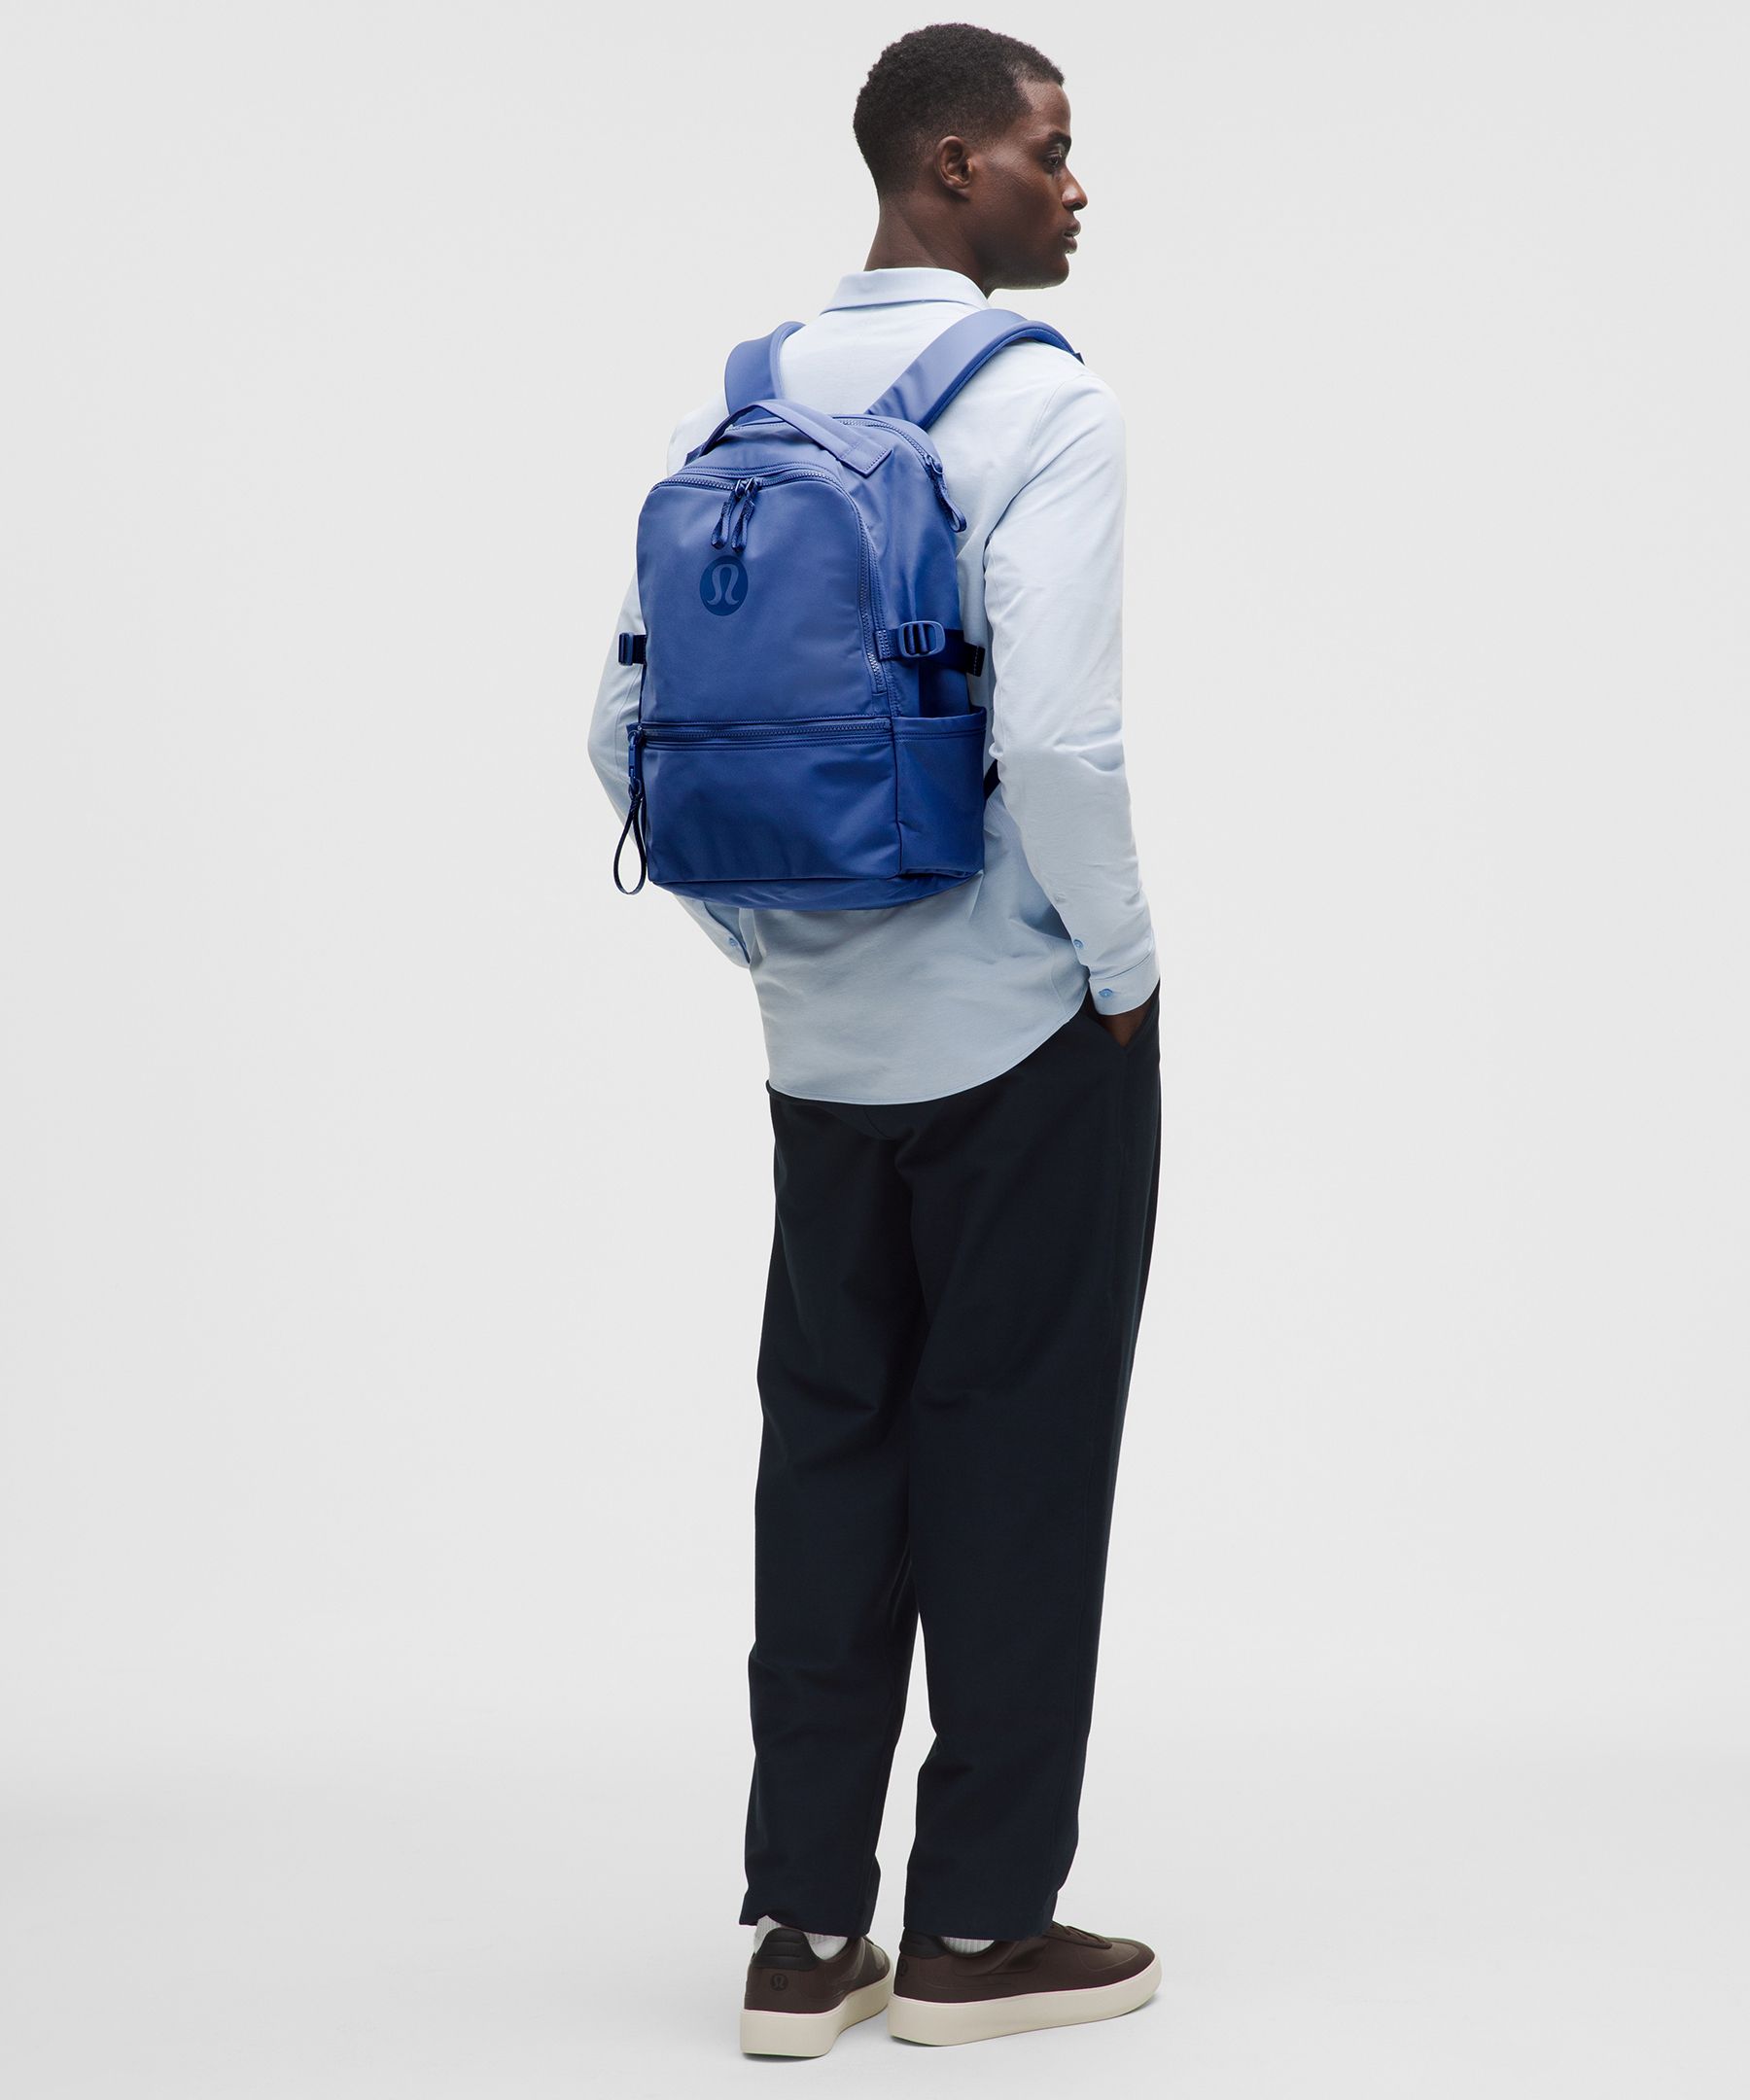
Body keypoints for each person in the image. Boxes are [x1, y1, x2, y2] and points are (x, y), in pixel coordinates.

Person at [589, 22, 1164, 2055]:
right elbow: (1062, 744)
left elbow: (619, 731)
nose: (1076, 184)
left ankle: (803, 1935)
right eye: (1048, 148)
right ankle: (980, 1937)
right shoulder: (1045, 402)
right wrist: (1120, 969)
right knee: (1016, 1460)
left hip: (817, 1051)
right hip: (1017, 1037)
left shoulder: (737, 401)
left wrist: (769, 943)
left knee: (827, 1461)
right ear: (948, 167)